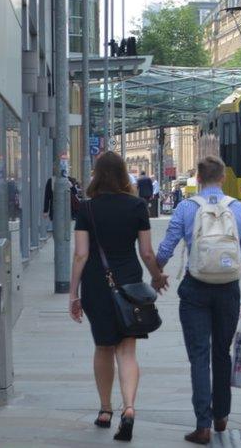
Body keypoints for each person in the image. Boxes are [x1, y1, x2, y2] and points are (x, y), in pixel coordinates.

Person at [156, 156, 241, 444]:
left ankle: (202, 425)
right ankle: (222, 416)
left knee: (199, 356)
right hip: (228, 289)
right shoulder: (239, 209)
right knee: (221, 353)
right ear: (223, 178)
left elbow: (167, 247)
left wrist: (156, 272)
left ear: (198, 179)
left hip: (195, 289)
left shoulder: (187, 208)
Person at [68, 151, 169, 441]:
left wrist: (73, 293)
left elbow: (80, 255)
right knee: (126, 350)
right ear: (125, 174)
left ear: (96, 175)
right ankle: (129, 408)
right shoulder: (137, 205)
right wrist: (158, 277)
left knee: (103, 347)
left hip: (97, 287)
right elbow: (147, 252)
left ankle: (104, 410)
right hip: (129, 286)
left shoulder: (87, 210)